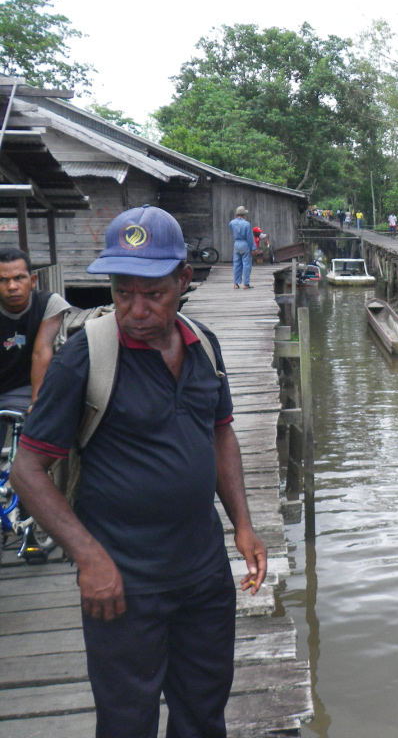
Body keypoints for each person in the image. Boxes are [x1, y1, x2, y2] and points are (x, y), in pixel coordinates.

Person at [10, 204, 267, 738]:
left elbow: (221, 434)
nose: (136, 309)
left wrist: (242, 524)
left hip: (203, 573)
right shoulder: (84, 358)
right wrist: (90, 559)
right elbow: (27, 470)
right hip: (122, 580)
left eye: (153, 294)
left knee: (203, 713)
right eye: (123, 292)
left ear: (183, 280)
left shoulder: (204, 346)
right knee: (127, 721)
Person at [0, 247, 70, 414]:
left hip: (30, 387)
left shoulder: (49, 304)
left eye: (19, 278)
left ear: (32, 281)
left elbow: (41, 352)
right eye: (3, 280)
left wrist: (36, 406)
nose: (12, 286)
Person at [229, 205, 255, 289]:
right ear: (244, 214)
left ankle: (236, 284)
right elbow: (249, 237)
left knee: (236, 264)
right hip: (244, 243)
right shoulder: (246, 224)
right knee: (246, 264)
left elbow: (231, 228)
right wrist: (253, 248)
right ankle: (246, 284)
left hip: (236, 243)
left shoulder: (232, 223)